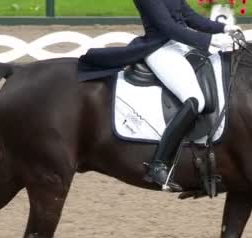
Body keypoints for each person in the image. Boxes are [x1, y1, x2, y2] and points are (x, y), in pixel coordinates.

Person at [77, 0, 241, 191]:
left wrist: (224, 27)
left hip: (182, 46)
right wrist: (209, 40)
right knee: (195, 100)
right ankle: (158, 164)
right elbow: (167, 27)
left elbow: (189, 16)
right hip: (159, 49)